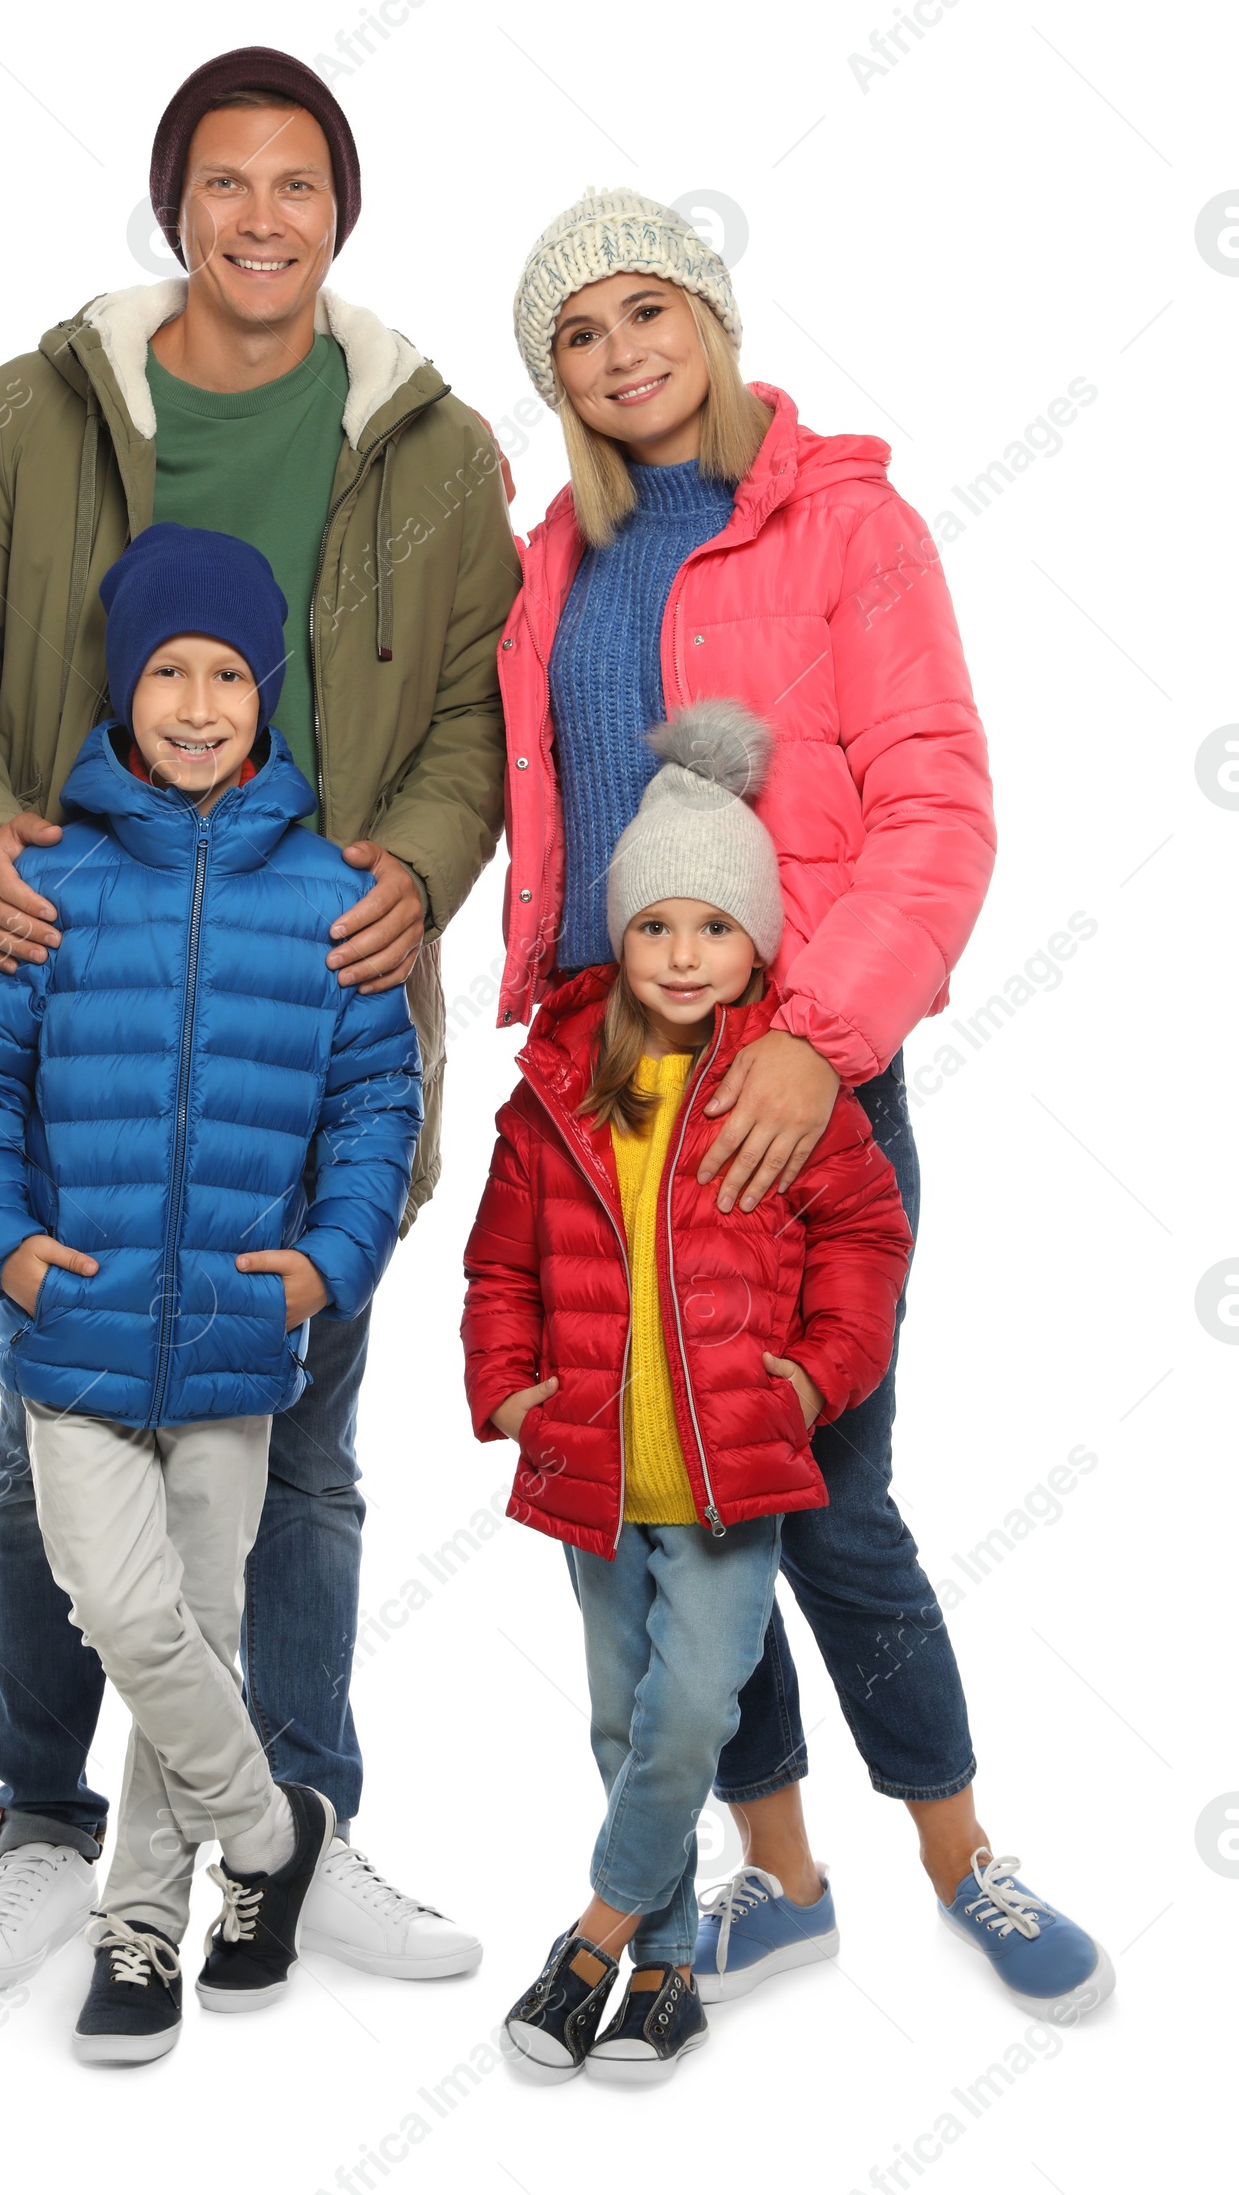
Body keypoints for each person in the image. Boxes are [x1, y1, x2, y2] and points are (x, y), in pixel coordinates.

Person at [0, 46, 515, 1992]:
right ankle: (50, 1825)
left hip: (311, 1008)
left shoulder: (419, 435)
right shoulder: (36, 413)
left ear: (340, 211)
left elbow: (471, 705)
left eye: (293, 182)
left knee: (298, 1461)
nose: (256, 215)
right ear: (171, 207)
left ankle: (285, 1826)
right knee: (40, 1453)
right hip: (84, 988)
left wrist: (417, 855)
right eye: (220, 181)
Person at [493, 188, 1111, 2023]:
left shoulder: (847, 522)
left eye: (645, 312)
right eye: (579, 338)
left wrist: (817, 1033)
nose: (621, 357)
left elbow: (939, 805)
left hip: (795, 1078)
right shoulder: (555, 559)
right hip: (611, 1089)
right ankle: (777, 1878)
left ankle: (960, 1856)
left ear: (711, 317)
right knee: (679, 1506)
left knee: (830, 1494)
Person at [0, 523, 424, 2058]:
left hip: (236, 1342)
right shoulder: (50, 881)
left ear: (263, 697)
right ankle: (277, 1839)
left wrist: (330, 1266)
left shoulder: (327, 895)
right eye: (165, 675)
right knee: (125, 1612)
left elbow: (375, 1104)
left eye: (224, 676)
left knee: (196, 1628)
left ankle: (141, 1931)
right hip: (71, 1332)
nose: (195, 705)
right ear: (122, 692)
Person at [463, 702, 913, 2081]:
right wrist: (512, 1393)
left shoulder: (794, 1093)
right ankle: (667, 1974)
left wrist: (815, 1373)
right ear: (623, 935)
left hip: (729, 1476)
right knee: (618, 1717)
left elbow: (866, 1237)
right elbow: (499, 1264)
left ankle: (593, 1932)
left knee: (694, 1709)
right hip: (596, 1471)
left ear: (758, 941)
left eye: (714, 929)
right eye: (656, 926)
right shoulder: (556, 1095)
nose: (682, 954)